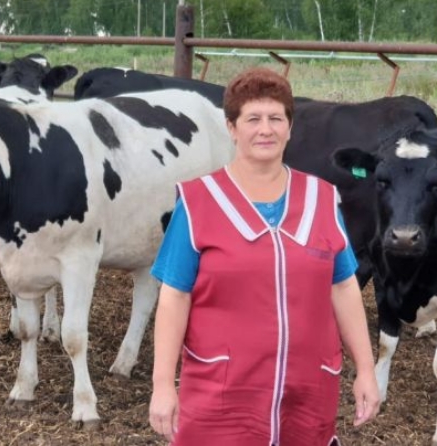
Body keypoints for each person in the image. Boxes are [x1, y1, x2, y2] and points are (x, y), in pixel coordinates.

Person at [148, 67, 380, 446]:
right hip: (222, 392)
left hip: (307, 391)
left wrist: (366, 369)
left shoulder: (321, 198)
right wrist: (162, 384)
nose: (265, 130)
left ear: (290, 127)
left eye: (276, 118)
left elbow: (343, 287)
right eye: (253, 119)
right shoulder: (199, 201)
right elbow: (175, 296)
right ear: (232, 127)